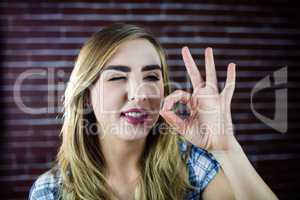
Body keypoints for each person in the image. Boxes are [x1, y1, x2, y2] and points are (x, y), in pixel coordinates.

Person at [28, 23, 278, 200]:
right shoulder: (51, 191)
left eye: (151, 76)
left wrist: (225, 148)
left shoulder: (193, 167)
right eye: (116, 77)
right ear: (86, 98)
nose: (140, 93)